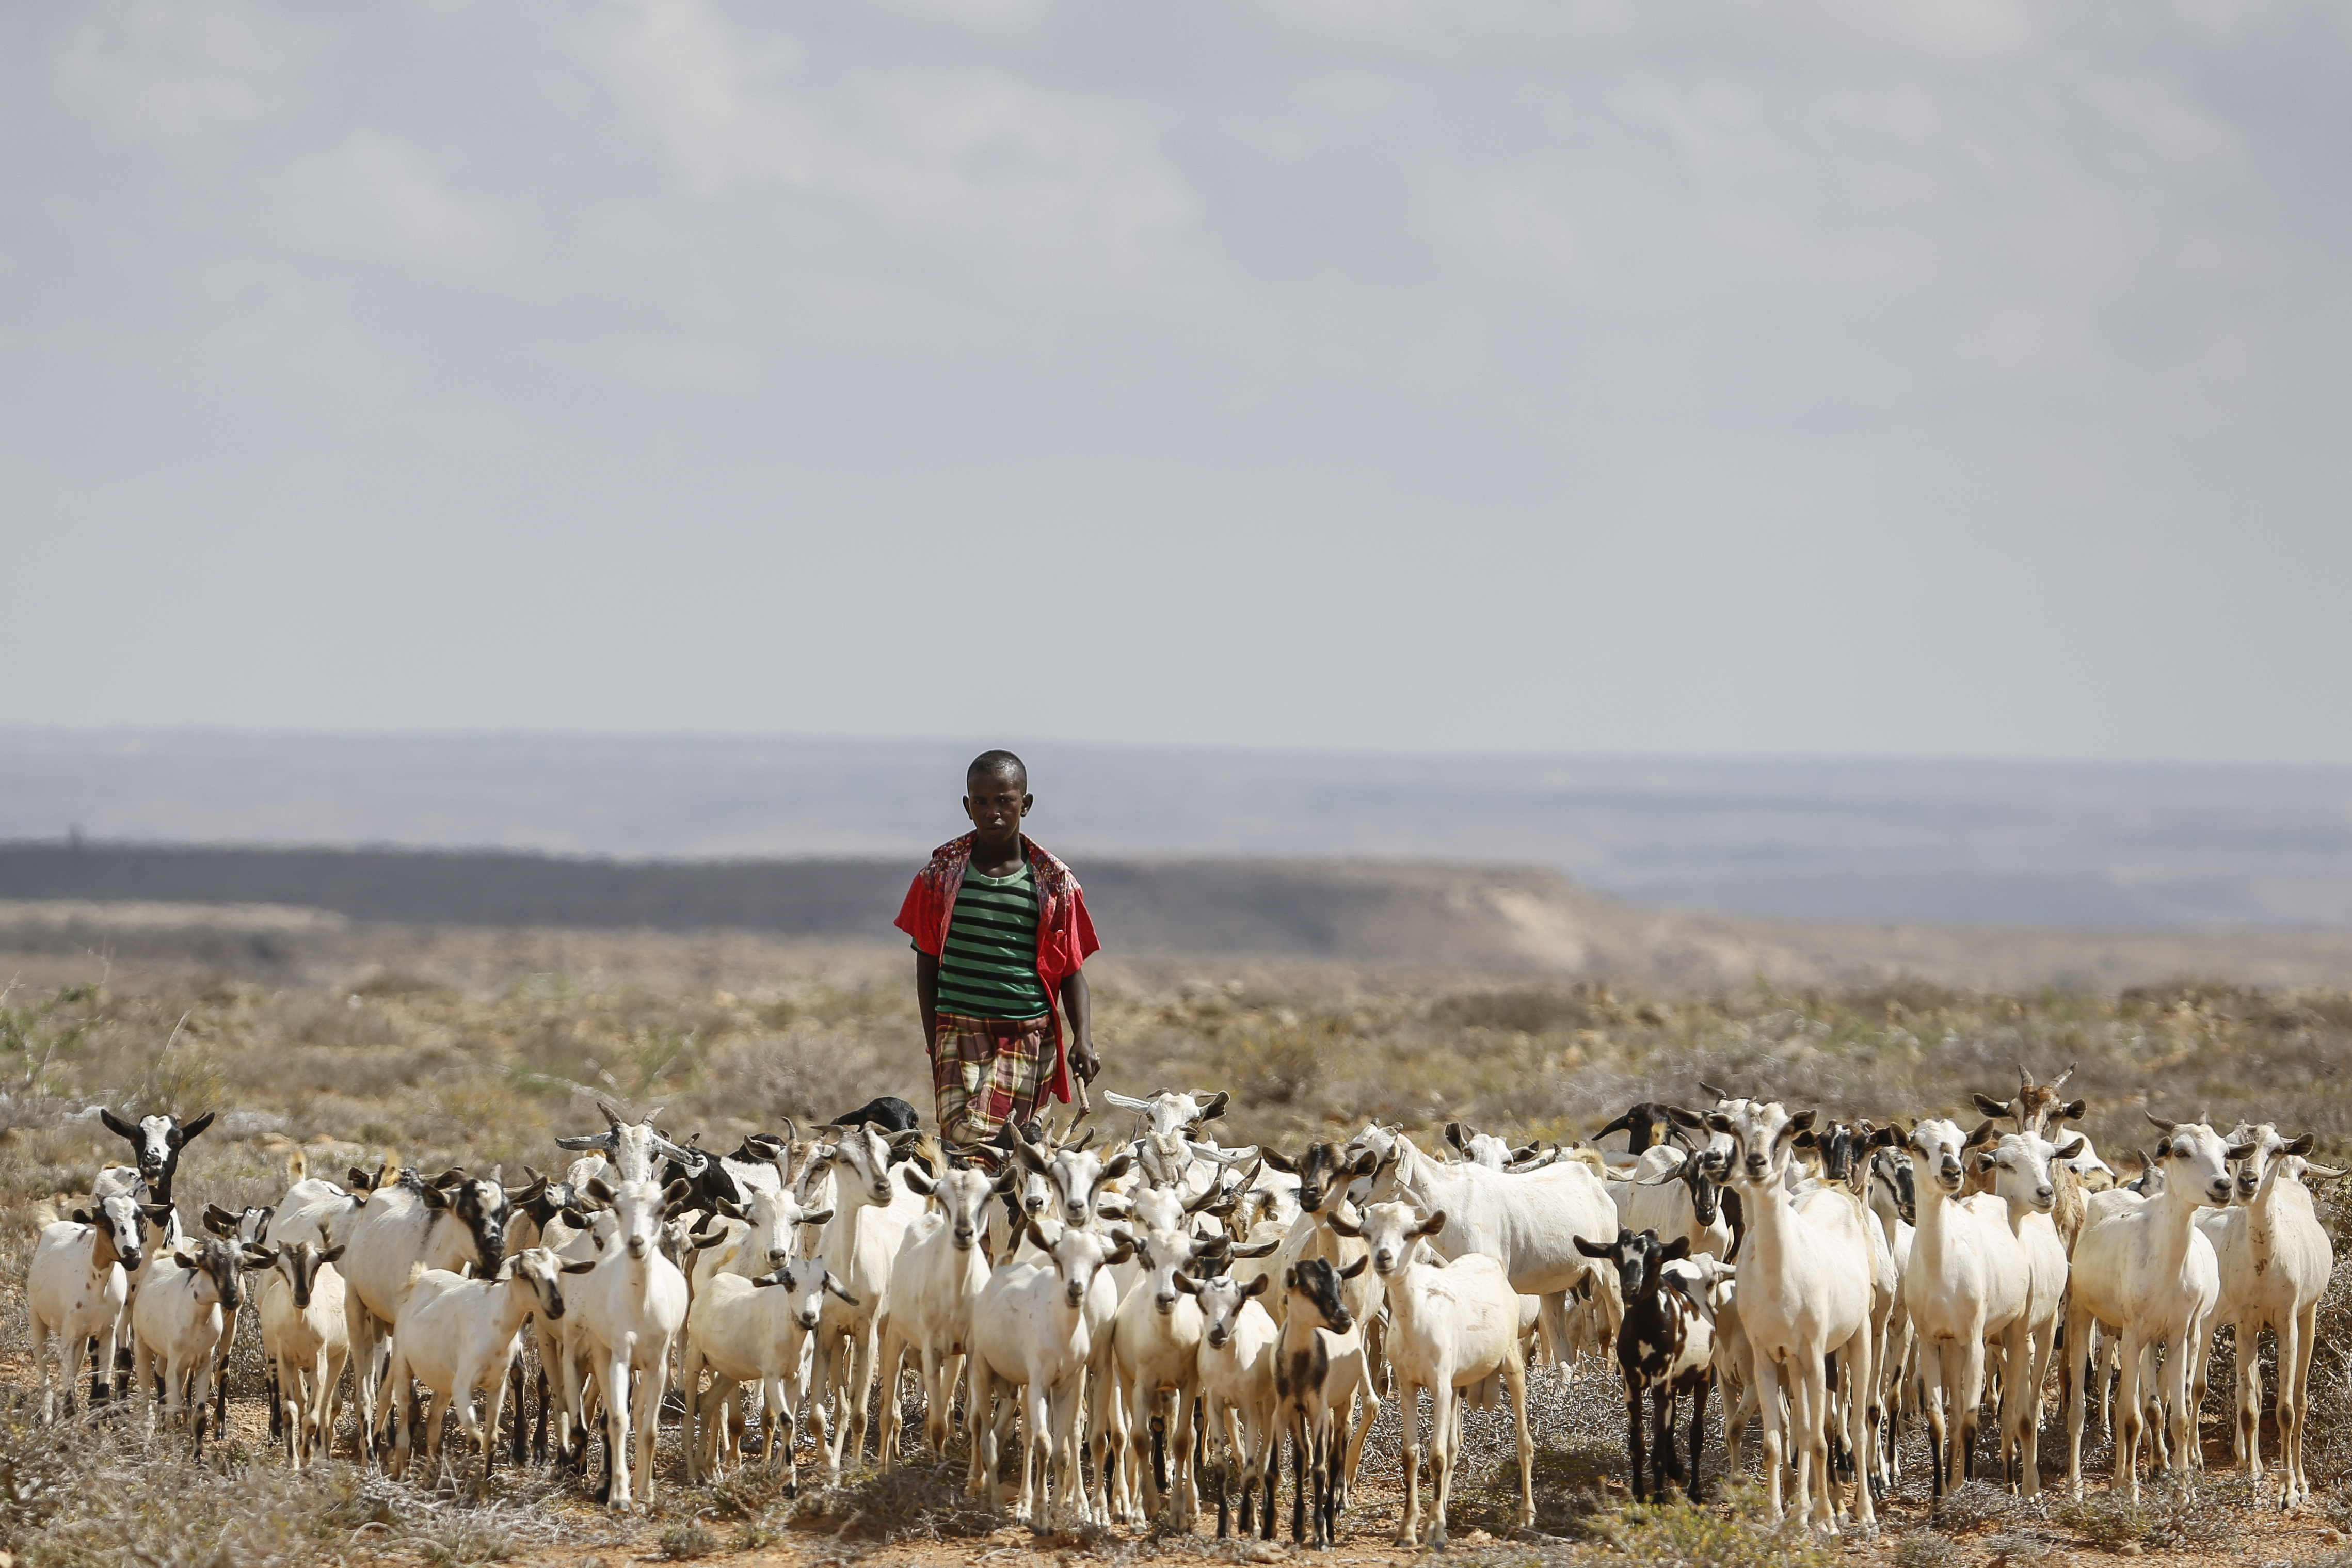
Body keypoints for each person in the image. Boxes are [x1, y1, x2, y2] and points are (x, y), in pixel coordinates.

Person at [893, 750, 1101, 1147]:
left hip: (1025, 1033)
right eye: (982, 801)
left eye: (1004, 800)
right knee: (960, 1143)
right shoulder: (939, 876)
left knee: (1007, 1148)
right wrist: (935, 1042)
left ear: (1026, 804)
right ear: (967, 806)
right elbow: (927, 965)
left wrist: (1083, 1039)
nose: (993, 812)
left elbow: (1071, 971)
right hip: (958, 1029)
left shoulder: (1054, 884)